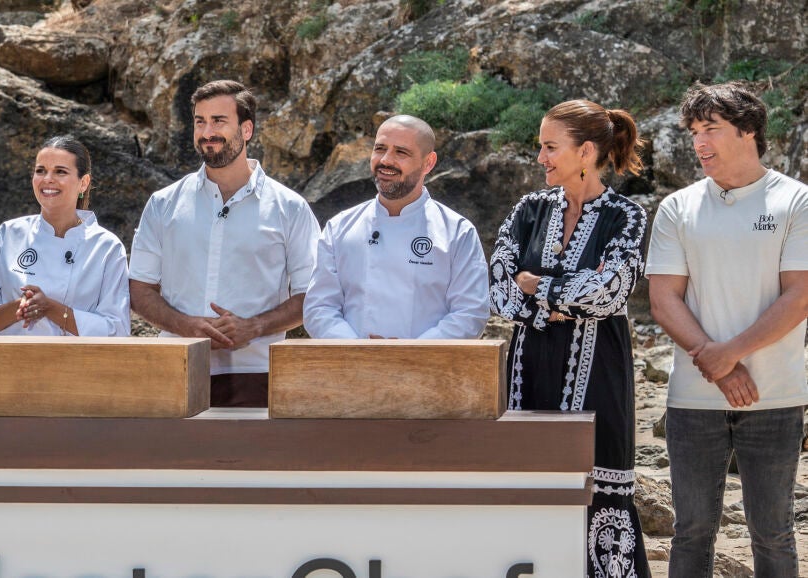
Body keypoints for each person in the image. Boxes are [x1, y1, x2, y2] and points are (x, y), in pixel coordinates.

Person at [646, 81, 807, 577]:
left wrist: (730, 353)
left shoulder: (796, 200)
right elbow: (663, 300)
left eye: (710, 129)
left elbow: (799, 296)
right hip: (693, 399)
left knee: (773, 533)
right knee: (691, 532)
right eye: (694, 132)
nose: (699, 142)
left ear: (748, 130)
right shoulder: (678, 207)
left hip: (776, 395)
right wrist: (719, 365)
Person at [489, 100, 651, 578]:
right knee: (529, 479)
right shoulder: (529, 210)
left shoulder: (627, 216)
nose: (540, 157)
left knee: (602, 486)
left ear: (585, 152)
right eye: (540, 146)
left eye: (549, 147)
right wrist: (564, 296)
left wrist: (537, 285)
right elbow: (498, 290)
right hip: (529, 372)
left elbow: (611, 291)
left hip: (600, 374)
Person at [128, 80, 319, 407]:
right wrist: (186, 326)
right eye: (200, 122)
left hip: (258, 373)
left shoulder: (290, 208)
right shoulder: (163, 204)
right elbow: (139, 288)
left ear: (247, 129)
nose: (207, 132)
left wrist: (254, 327)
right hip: (174, 367)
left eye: (218, 121)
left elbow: (312, 294)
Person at [303, 115, 489, 339]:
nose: (386, 160)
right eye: (380, 149)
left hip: (428, 360)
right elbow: (319, 308)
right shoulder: (339, 227)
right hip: (352, 359)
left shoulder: (458, 232)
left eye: (401, 152)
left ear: (428, 163)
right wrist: (358, 350)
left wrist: (406, 353)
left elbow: (470, 314)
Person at [0, 135, 130, 337]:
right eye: (41, 171)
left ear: (83, 183)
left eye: (60, 171)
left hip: (76, 358)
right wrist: (23, 306)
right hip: (11, 356)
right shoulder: (8, 234)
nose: (48, 179)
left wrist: (51, 309)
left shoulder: (107, 247)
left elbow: (117, 329)